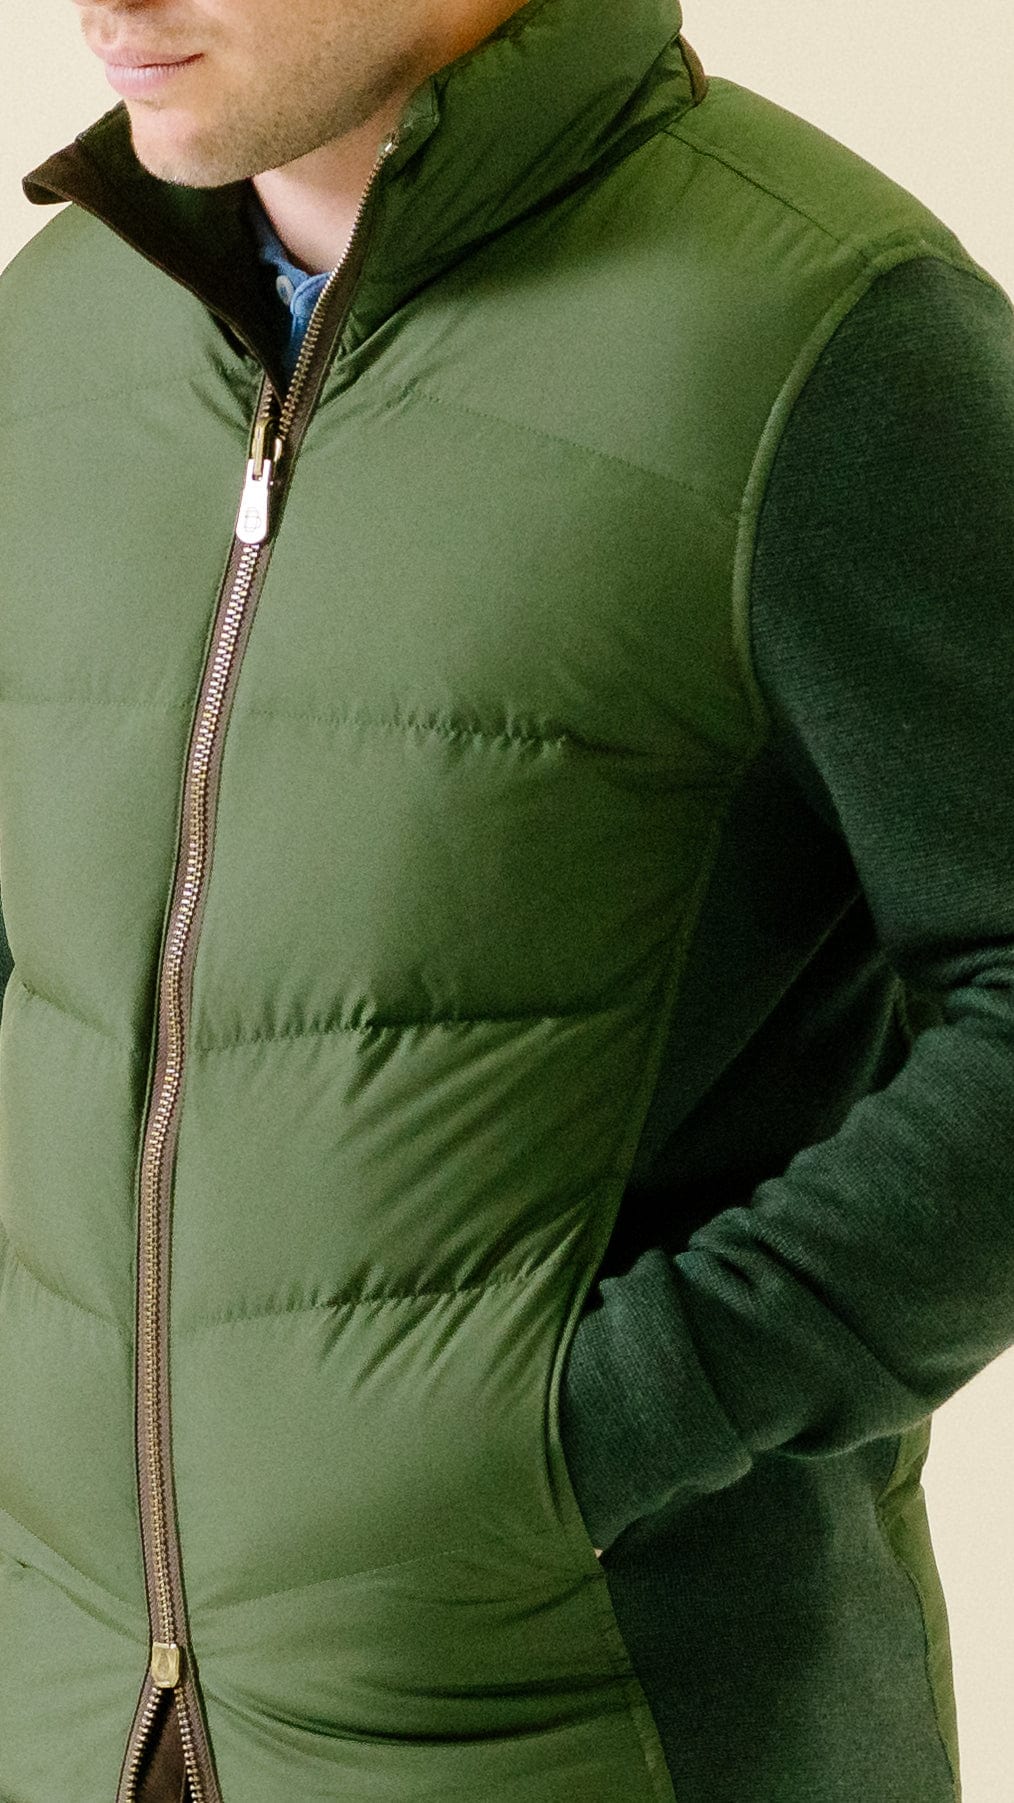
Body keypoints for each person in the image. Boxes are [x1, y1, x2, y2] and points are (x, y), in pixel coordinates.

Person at [2, 0, 1012, 1796]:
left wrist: (608, 1426)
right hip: (68, 1710)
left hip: (595, 1715)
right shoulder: (64, 327)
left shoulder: (818, 331)